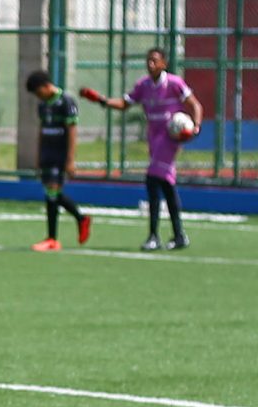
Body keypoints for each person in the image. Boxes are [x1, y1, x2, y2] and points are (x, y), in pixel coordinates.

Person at [84, 45, 202, 251]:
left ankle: (154, 236)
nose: (150, 64)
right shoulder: (144, 85)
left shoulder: (174, 83)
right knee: (164, 185)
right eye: (148, 60)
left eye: (155, 60)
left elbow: (195, 105)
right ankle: (179, 234)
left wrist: (196, 127)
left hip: (169, 138)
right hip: (154, 138)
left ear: (164, 63)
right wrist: (102, 101)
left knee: (152, 179)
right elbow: (125, 103)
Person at [24, 68, 93, 252]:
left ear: (47, 86)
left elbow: (72, 132)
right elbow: (41, 130)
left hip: (60, 154)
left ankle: (53, 239)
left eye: (39, 93)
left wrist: (70, 160)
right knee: (50, 194)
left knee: (53, 192)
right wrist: (38, 156)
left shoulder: (66, 102)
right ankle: (80, 219)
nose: (39, 97)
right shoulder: (43, 105)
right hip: (47, 153)